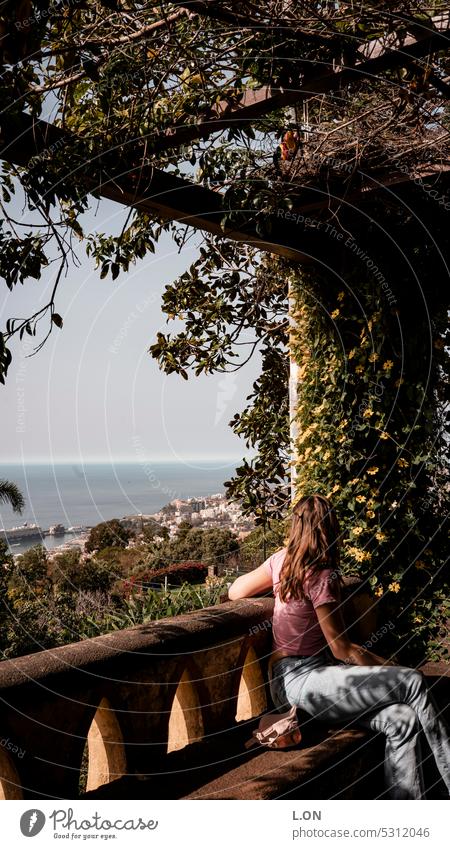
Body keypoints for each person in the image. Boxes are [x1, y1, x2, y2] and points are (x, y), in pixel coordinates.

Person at [228, 494, 450, 799]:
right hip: (306, 684)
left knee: (402, 719)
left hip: (286, 683)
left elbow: (235, 590)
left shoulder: (281, 561)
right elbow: (341, 649)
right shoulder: (322, 575)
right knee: (412, 681)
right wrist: (393, 668)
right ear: (330, 529)